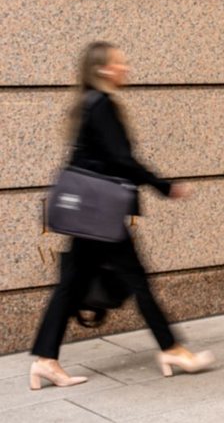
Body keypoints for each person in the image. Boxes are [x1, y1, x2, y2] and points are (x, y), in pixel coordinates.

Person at [30, 42, 214, 390]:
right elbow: (121, 160)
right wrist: (163, 186)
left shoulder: (89, 103)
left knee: (71, 284)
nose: (125, 68)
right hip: (100, 214)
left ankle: (45, 360)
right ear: (102, 69)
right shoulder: (102, 105)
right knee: (136, 281)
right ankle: (172, 350)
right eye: (119, 63)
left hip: (91, 214)